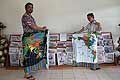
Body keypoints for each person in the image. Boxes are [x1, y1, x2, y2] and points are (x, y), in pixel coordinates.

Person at [21, 2, 47, 80]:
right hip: (27, 39)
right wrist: (42, 29)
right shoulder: (25, 17)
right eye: (29, 7)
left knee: (33, 54)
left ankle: (29, 72)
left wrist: (41, 28)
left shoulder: (30, 16)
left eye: (32, 7)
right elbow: (33, 27)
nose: (31, 9)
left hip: (31, 38)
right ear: (25, 8)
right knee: (27, 56)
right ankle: (26, 74)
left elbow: (35, 26)